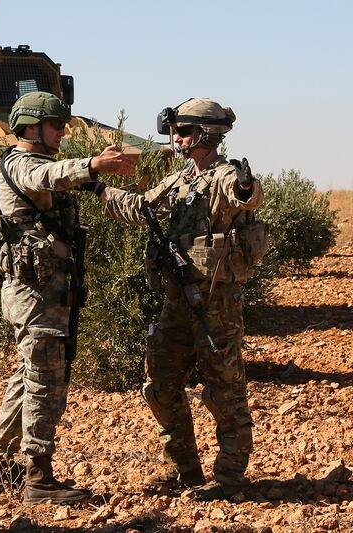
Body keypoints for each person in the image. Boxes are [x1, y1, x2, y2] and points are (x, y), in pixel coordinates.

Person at [98, 98, 264, 501]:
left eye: (185, 131)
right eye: (175, 130)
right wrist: (96, 187)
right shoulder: (181, 181)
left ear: (207, 135)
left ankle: (228, 477)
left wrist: (246, 185)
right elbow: (140, 208)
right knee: (159, 385)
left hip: (215, 303)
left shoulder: (225, 177)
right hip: (177, 301)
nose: (176, 137)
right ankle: (185, 470)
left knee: (224, 389)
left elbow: (247, 195)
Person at [0, 91, 135, 504]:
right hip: (36, 295)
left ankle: (1, 467)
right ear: (31, 127)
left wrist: (97, 175)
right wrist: (92, 165)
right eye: (55, 125)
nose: (62, 131)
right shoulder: (20, 164)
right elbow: (48, 177)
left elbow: (59, 176)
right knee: (45, 384)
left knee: (27, 377)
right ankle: (38, 476)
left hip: (40, 292)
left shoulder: (30, 163)